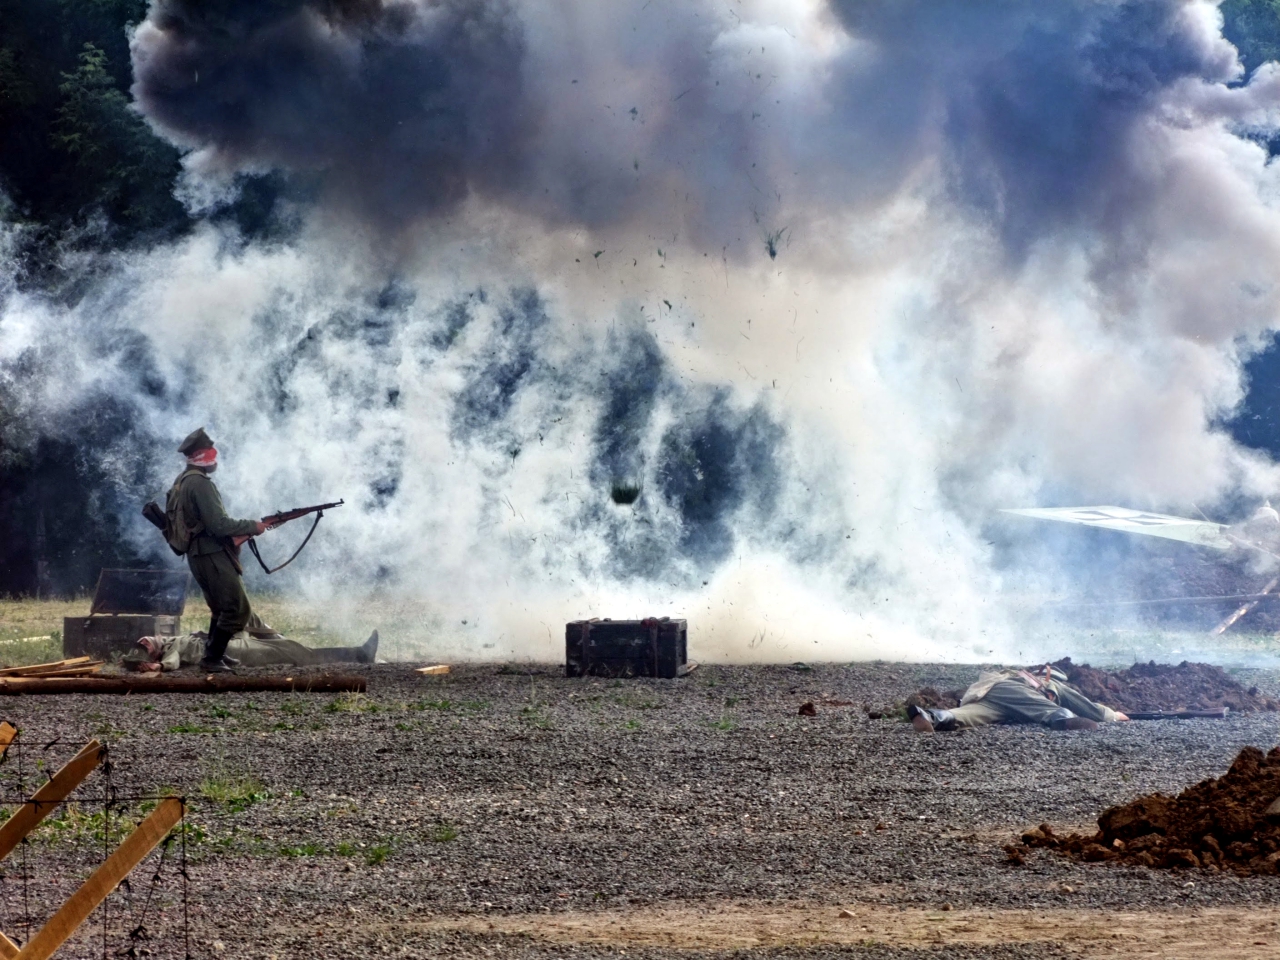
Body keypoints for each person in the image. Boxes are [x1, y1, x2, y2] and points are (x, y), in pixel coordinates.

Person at [169, 427, 267, 673]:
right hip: (210, 554)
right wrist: (252, 526)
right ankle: (211, 659)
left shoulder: (182, 481)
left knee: (220, 608)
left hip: (199, 554)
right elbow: (219, 524)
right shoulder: (200, 484)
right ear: (203, 454)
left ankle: (215, 654)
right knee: (237, 608)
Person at [906, 666, 1131, 732]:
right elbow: (1084, 705)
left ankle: (933, 717)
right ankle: (1060, 718)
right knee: (1046, 709)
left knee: (969, 716)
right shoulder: (1048, 683)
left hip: (990, 698)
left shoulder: (1005, 678)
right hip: (1008, 691)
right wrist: (1111, 715)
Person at [123, 629, 379, 672]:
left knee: (291, 648)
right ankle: (359, 655)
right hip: (240, 651)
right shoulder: (171, 648)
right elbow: (173, 661)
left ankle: (357, 653)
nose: (144, 641)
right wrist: (159, 666)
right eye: (142, 647)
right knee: (296, 653)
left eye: (142, 641)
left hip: (237, 644)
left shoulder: (174, 638)